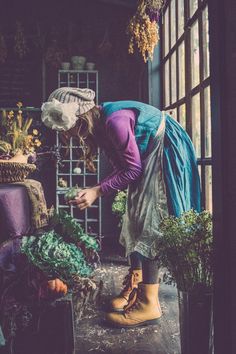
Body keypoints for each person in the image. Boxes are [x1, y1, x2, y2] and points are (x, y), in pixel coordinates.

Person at [41, 87, 201, 328]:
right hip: (148, 154)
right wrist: (96, 188)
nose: (71, 135)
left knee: (149, 220)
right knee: (134, 216)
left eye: (71, 129)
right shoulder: (103, 127)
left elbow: (132, 169)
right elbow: (126, 168)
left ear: (81, 119)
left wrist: (97, 190)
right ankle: (137, 284)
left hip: (164, 146)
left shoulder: (114, 121)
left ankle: (150, 303)